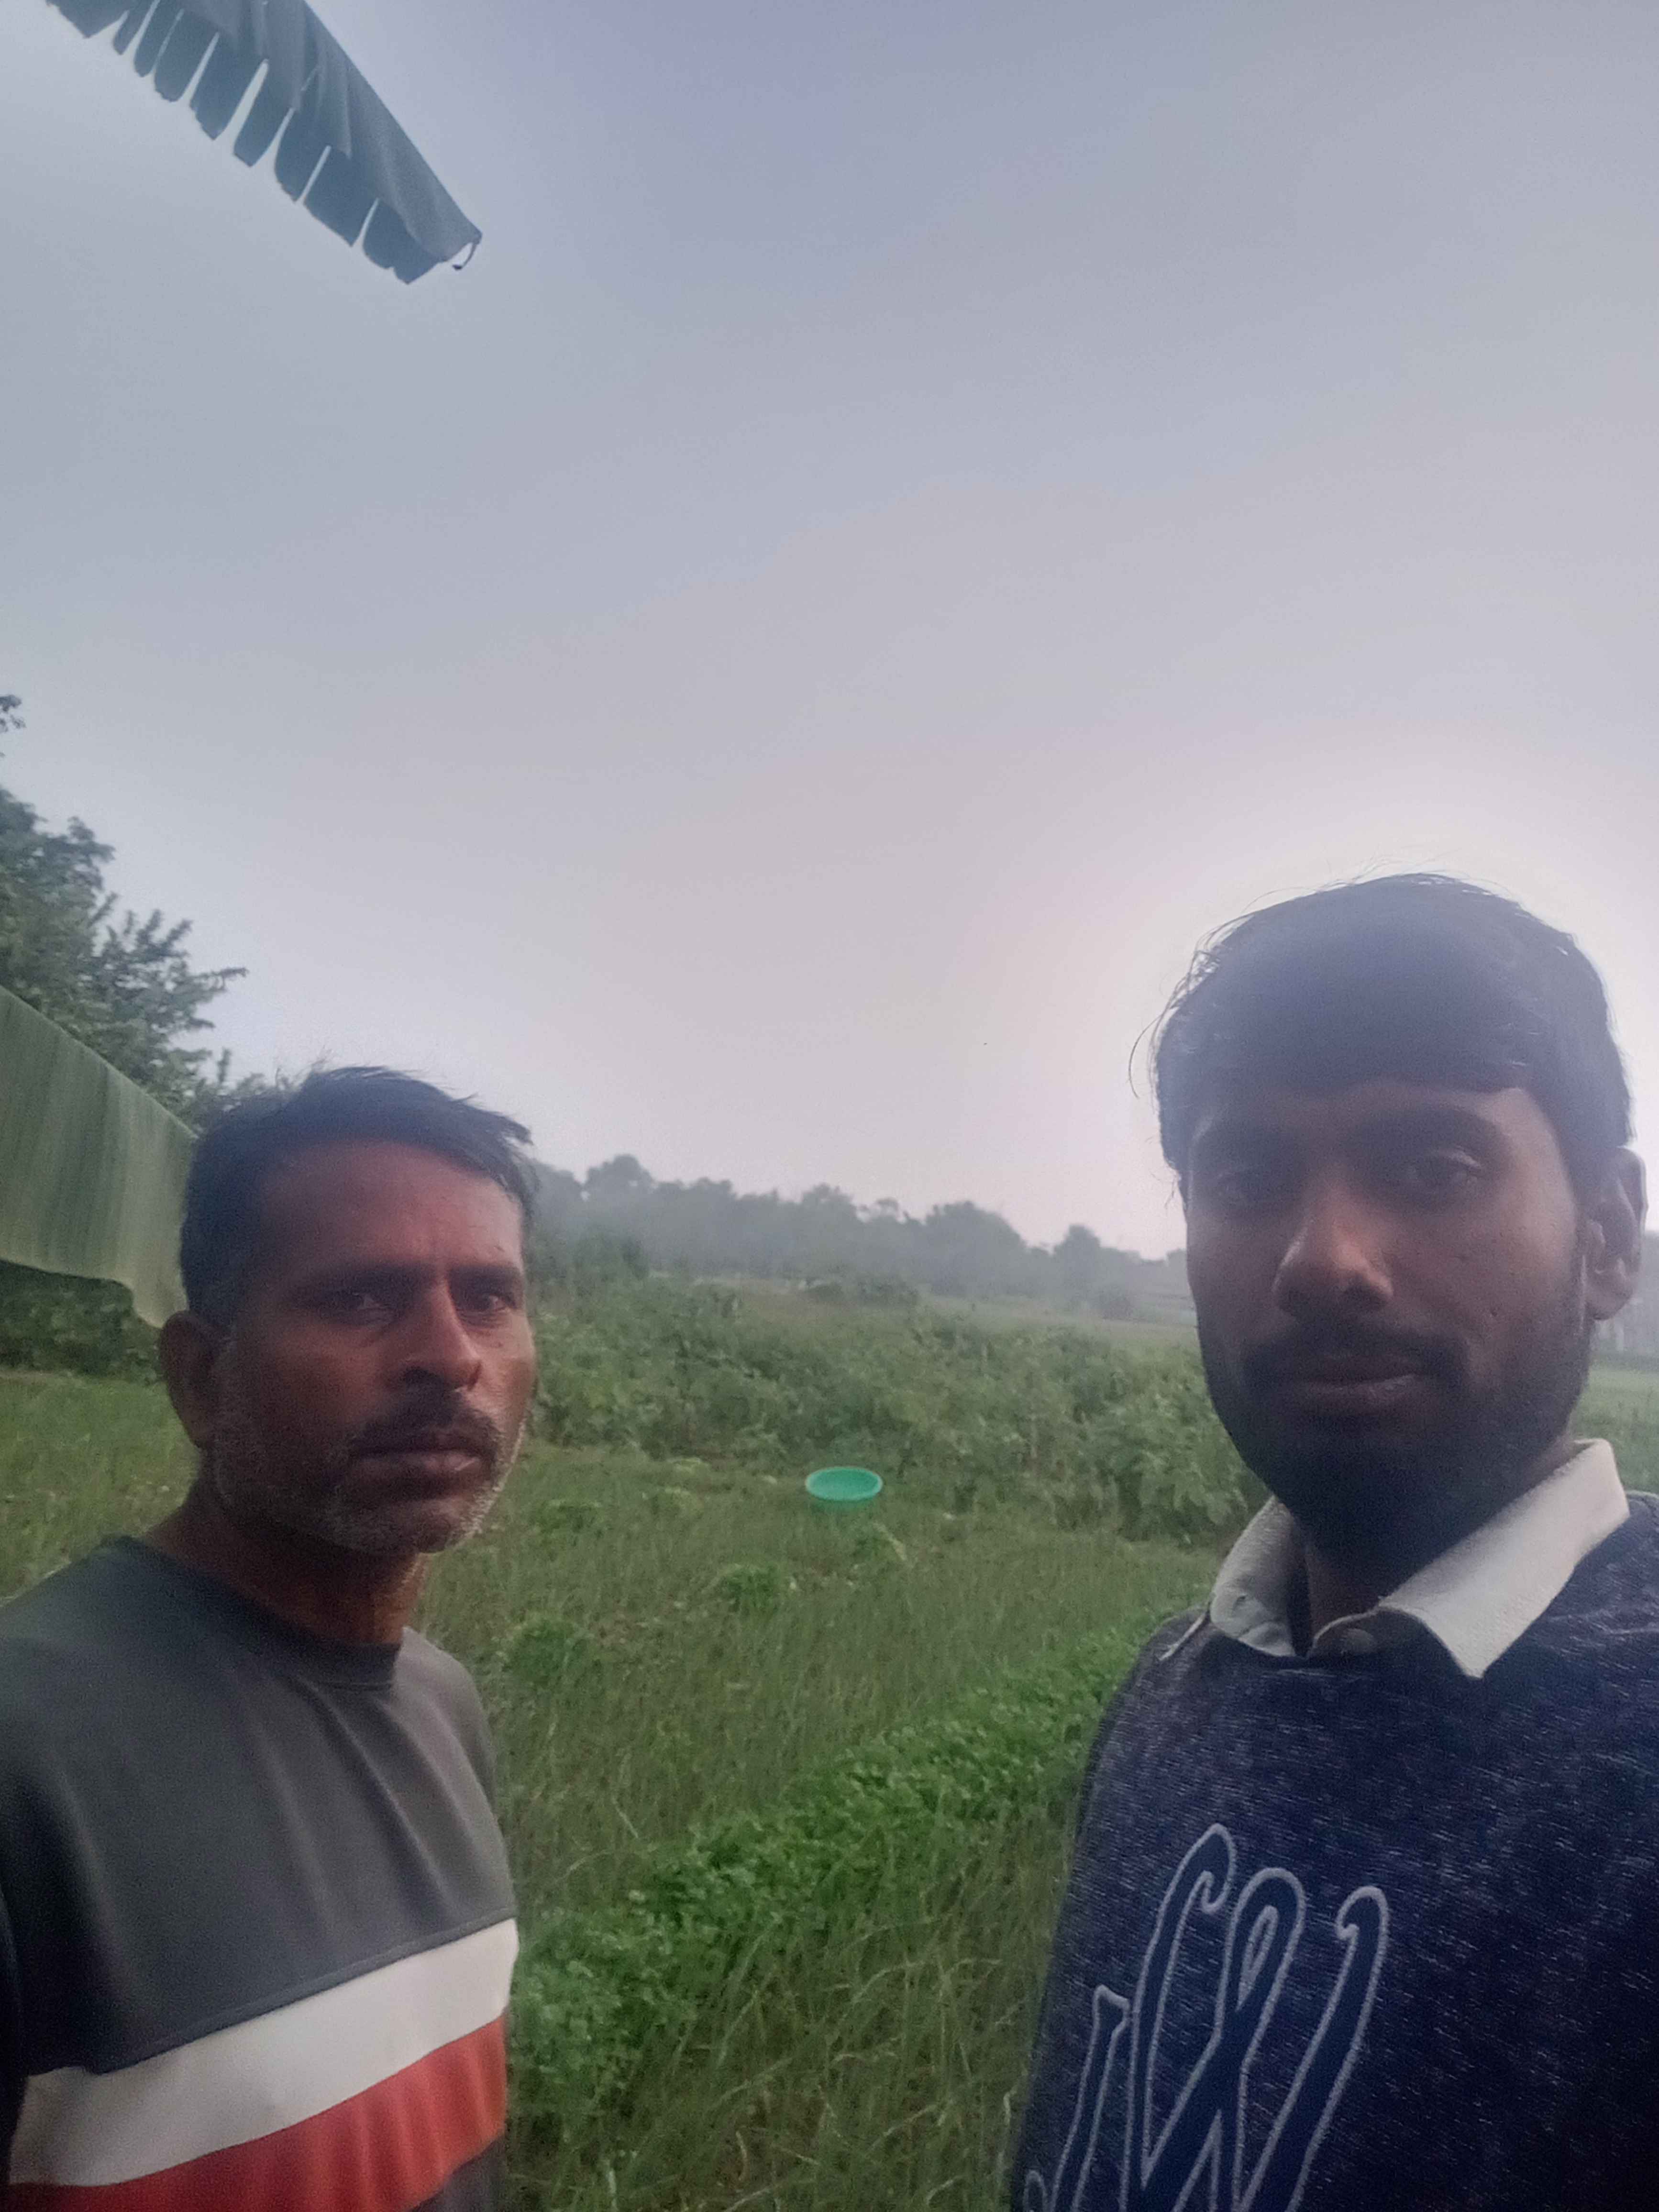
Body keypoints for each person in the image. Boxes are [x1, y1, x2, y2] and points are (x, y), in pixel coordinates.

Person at [1011, 874, 1659, 2212]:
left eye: (1433, 1169)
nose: (1323, 1258)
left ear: (1604, 1238)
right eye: (1245, 1177)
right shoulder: (1173, 1691)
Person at [0, 1068, 540, 2208]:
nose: (450, 1353)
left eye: (489, 1295)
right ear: (202, 1376)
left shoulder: (444, 1705)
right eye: (361, 1296)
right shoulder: (28, 1750)